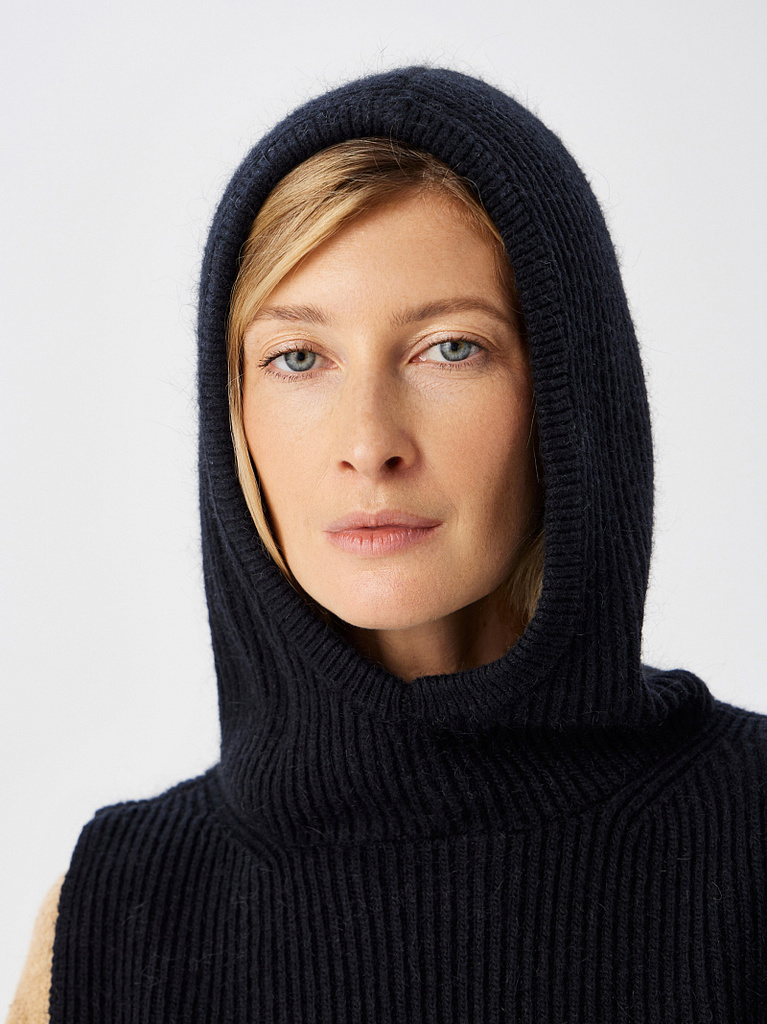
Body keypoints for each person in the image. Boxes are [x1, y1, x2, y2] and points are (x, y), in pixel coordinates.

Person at [8, 65, 767, 1023]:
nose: (369, 443)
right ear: (232, 410)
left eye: (450, 348)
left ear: (568, 394)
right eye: (298, 358)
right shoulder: (107, 918)